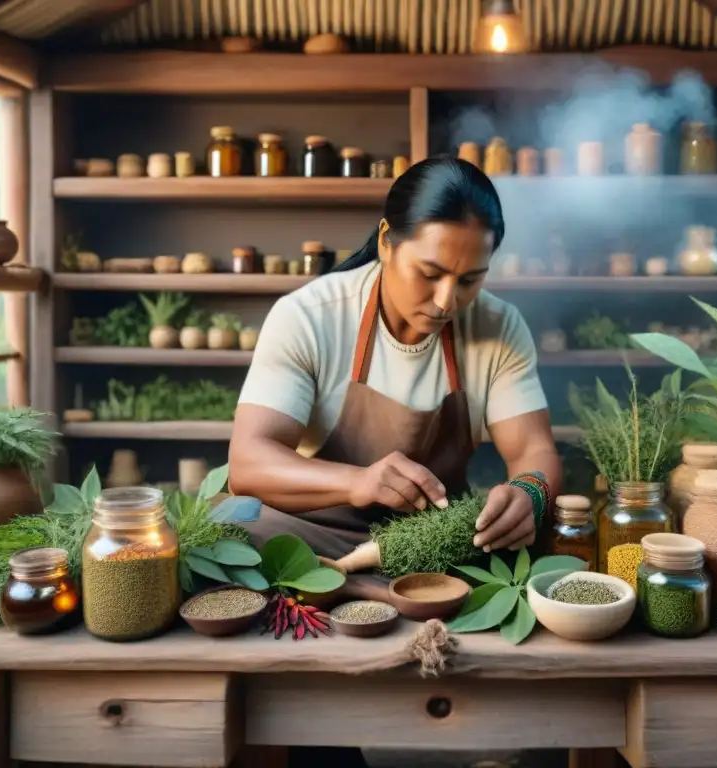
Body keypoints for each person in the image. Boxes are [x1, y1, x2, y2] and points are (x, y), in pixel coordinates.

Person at [229, 155, 562, 602]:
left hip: (432, 542)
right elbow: (248, 463)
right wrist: (358, 482)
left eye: (470, 280)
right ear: (387, 241)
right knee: (237, 528)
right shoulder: (307, 317)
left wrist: (529, 493)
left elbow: (533, 449)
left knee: (540, 539)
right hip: (316, 534)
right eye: (430, 274)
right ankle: (368, 585)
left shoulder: (500, 327)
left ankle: (356, 590)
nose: (447, 301)